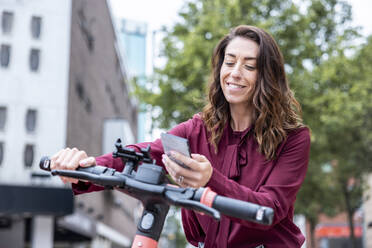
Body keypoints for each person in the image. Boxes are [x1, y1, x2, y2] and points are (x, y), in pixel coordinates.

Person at [51, 25, 310, 248]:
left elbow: (271, 207)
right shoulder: (198, 129)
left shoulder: (294, 139)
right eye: (229, 62)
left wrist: (211, 180)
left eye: (249, 66)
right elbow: (145, 154)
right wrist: (84, 168)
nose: (235, 72)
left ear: (267, 76)